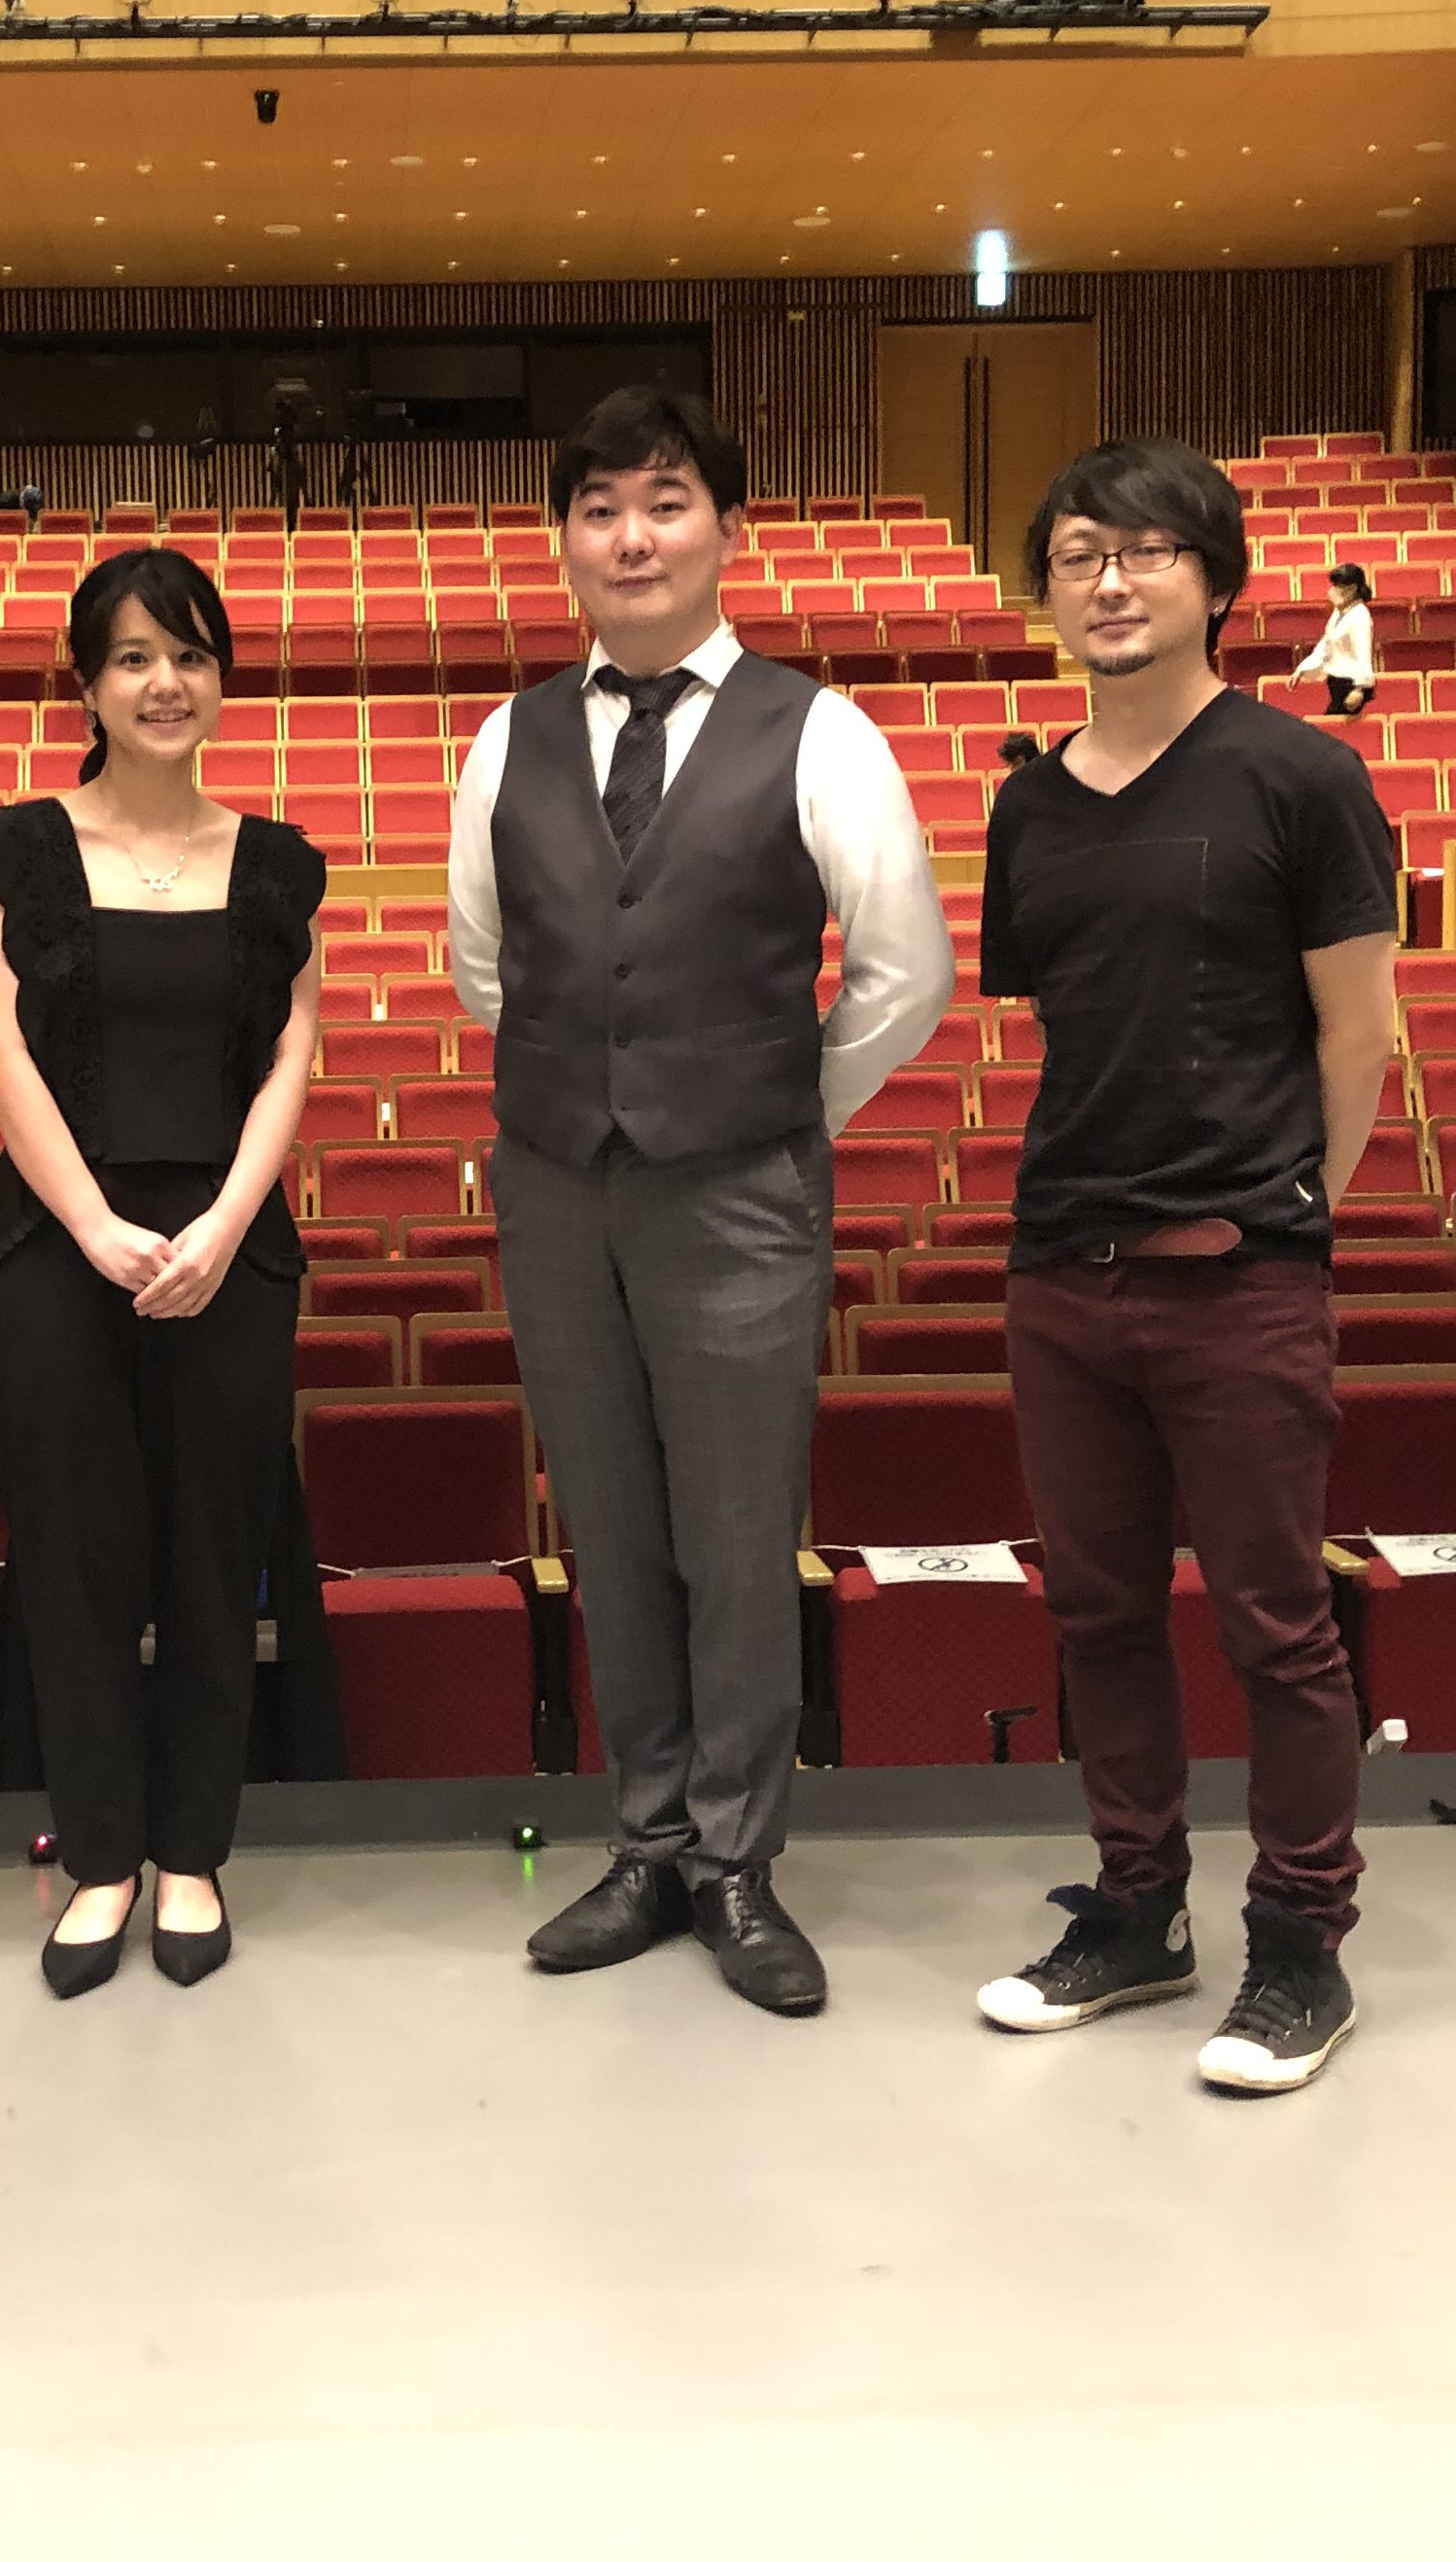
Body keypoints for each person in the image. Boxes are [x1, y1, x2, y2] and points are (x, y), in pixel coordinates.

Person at [448, 387, 954, 2015]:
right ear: (563, 539)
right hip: (556, 1187)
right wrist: (598, 1095)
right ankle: (648, 1840)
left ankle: (736, 1857)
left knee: (736, 1540)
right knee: (607, 1527)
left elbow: (904, 974)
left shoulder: (820, 730)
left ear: (725, 527)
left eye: (664, 502)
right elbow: (485, 966)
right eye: (599, 507)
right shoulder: (506, 736)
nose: (632, 537)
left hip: (739, 1187)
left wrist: (774, 1109)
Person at [975, 438, 1397, 2094]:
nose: (1110, 580)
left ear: (1213, 579)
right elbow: (1070, 1022)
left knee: (1275, 1624)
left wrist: (1286, 1214)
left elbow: (1354, 1035)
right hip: (1060, 1268)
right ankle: (1136, 1908)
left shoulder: (1300, 778)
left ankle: (1298, 1945)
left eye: (1147, 549)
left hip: (1240, 1271)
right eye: (1078, 553)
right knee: (1096, 1615)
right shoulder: (1027, 801)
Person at [0, 547, 325, 1998]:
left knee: (213, 1552)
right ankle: (102, 1856)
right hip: (59, 1246)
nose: (164, 683)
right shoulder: (20, 847)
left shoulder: (277, 859)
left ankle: (192, 1852)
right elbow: (0, 1051)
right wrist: (100, 1229)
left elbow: (291, 1054)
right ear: (88, 684)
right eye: (131, 657)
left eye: (189, 655)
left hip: (229, 1243)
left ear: (221, 676)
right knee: (76, 1559)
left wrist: (226, 1223)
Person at [1293, 562, 1376, 719]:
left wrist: (1360, 689)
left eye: (1337, 586)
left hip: (1350, 689)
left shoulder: (1360, 617)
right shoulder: (1339, 612)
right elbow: (1326, 644)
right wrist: (1302, 668)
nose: (1332, 591)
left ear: (1351, 589)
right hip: (1336, 685)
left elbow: (1363, 654)